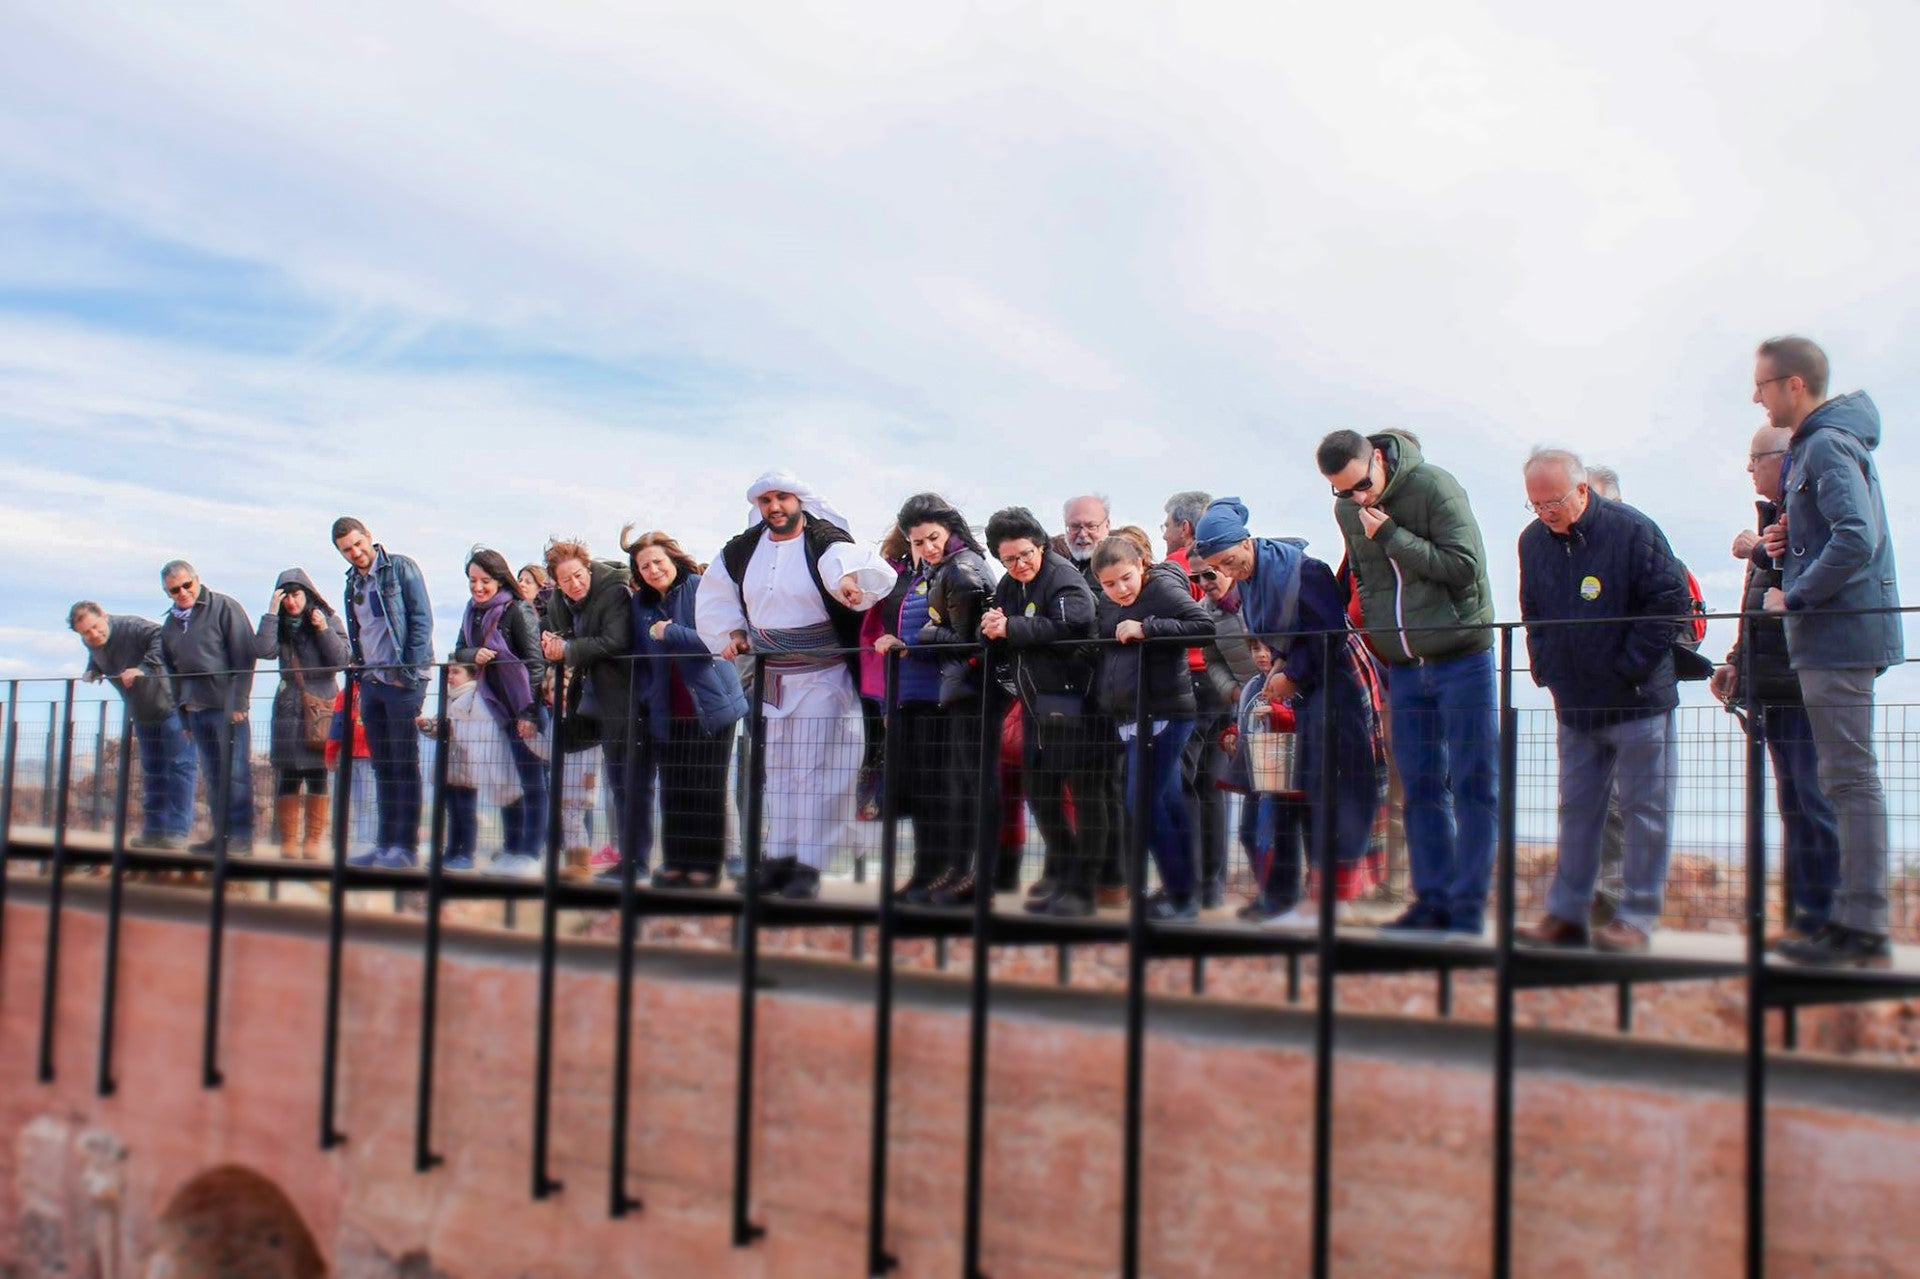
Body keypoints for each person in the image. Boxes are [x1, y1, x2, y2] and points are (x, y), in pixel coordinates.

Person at [1753, 337, 1904, 968]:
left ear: (1794, 385)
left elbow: (1857, 538)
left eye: (1761, 384)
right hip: (1836, 636)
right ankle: (1852, 922)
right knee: (1843, 781)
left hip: (1837, 636)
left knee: (1849, 780)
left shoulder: (1825, 444)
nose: (1754, 396)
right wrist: (1793, 537)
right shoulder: (1823, 445)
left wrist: (1796, 594)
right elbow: (1836, 532)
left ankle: (1862, 929)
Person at [1316, 429, 1497, 935]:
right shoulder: (1349, 511)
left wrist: (1393, 536)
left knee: (1473, 785)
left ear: (1376, 458)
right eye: (1343, 492)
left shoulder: (1436, 487)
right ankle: (1431, 902)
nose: (1357, 498)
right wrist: (1380, 638)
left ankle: (1467, 909)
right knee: (1420, 789)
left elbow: (1465, 569)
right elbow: (1369, 583)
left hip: (1462, 656)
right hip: (1403, 665)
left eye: (1361, 485)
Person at [1513, 448, 1690, 954]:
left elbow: (1669, 601)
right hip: (1576, 704)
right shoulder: (1533, 542)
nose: (1546, 512)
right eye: (1536, 504)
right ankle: (1565, 915)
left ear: (1583, 490)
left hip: (1638, 703)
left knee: (1645, 810)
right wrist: (1547, 670)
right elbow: (1534, 611)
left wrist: (1629, 666)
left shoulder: (1634, 530)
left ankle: (1636, 918)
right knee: (1577, 810)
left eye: (1555, 501)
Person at [696, 470, 894, 901]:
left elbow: (842, 560)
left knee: (814, 771)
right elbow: (716, 593)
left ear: (799, 500)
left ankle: (808, 863)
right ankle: (778, 858)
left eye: (782, 497)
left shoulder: (821, 538)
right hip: (773, 676)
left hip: (822, 675)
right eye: (766, 500)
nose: (774, 507)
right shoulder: (744, 548)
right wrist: (730, 632)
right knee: (779, 771)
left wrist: (846, 582)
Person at [1194, 499, 1387, 925]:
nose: (1228, 571)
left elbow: (1328, 637)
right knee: (1297, 796)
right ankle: (1301, 900)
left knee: (1336, 793)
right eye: (1217, 566)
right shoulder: (1251, 578)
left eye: (1229, 560)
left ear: (1247, 542)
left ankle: (1330, 901)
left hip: (1338, 687)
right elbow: (1279, 641)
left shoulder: (1306, 571)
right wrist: (1280, 673)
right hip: (1299, 689)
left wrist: (1290, 676)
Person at [1709, 423, 1841, 942]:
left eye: (1754, 458)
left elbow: (1813, 575)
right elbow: (1759, 602)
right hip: (1776, 682)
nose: (1749, 469)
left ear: (1782, 459)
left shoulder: (1804, 511)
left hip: (1805, 680)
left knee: (1812, 802)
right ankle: (1803, 921)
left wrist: (1759, 552)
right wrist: (1737, 661)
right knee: (1796, 805)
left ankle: (1823, 920)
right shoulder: (1775, 517)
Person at [874, 494, 996, 906]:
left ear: (951, 531)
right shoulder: (932, 571)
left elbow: (969, 641)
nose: (927, 547)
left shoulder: (962, 569)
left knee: (950, 793)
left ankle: (953, 876)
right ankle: (928, 873)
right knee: (926, 793)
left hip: (947, 697)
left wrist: (912, 646)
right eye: (917, 541)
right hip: (918, 695)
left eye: (933, 537)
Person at [980, 507, 1103, 917]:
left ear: (1042, 546)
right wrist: (996, 627)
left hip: (1071, 697)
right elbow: (1000, 625)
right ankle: (1063, 875)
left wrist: (1011, 627)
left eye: (1026, 554)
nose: (1020, 565)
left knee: (1081, 797)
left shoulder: (1062, 575)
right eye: (1009, 559)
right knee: (1040, 792)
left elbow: (1072, 625)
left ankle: (1083, 889)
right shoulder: (1008, 583)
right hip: (1034, 700)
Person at [1091, 535, 1216, 921]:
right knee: (1167, 803)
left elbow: (1203, 626)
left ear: (1141, 566)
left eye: (1126, 578)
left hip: (1166, 713)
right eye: (1109, 585)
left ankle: (1181, 897)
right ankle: (1184, 894)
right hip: (1131, 717)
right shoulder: (1108, 604)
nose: (1120, 590)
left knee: (1140, 800)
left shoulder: (1161, 588)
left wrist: (1148, 627)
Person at [630, 527, 748, 888]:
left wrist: (671, 632)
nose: (652, 570)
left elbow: (716, 641)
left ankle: (704, 868)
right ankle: (677, 864)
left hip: (710, 706)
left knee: (706, 788)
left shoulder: (698, 587)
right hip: (669, 709)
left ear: (672, 560)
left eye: (657, 561)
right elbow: (644, 658)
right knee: (674, 789)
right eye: (644, 566)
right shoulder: (641, 606)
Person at [333, 517, 435, 868]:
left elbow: (421, 620)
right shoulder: (352, 584)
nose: (355, 553)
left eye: (358, 545)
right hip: (372, 683)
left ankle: (405, 848)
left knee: (404, 764)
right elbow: (361, 631)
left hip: (403, 682)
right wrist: (362, 676)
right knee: (382, 766)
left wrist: (407, 676)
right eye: (347, 550)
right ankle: (385, 843)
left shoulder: (401, 569)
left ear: (369, 538)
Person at [538, 539, 635, 880]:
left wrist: (566, 648)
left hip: (620, 695)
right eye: (566, 580)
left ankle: (630, 858)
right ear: (555, 582)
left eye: (579, 575)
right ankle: (580, 861)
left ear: (588, 569)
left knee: (623, 782)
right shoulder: (558, 602)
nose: (575, 584)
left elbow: (616, 641)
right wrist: (551, 642)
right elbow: (553, 633)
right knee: (581, 786)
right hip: (585, 699)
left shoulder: (614, 591)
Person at [453, 548, 550, 875]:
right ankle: (512, 849)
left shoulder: (517, 610)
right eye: (472, 582)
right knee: (507, 782)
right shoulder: (471, 612)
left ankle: (531, 853)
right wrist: (473, 652)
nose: (478, 588)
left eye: (484, 581)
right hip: (492, 708)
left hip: (521, 706)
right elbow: (458, 650)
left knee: (533, 783)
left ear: (499, 579)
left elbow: (535, 663)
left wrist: (530, 712)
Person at [70, 602, 195, 850]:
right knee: (153, 771)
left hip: (169, 705)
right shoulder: (92, 642)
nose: (93, 634)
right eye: (86, 632)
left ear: (104, 616)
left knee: (180, 768)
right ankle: (155, 830)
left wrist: (143, 668)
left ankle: (177, 832)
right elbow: (98, 653)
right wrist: (92, 669)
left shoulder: (131, 626)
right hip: (141, 712)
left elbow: (162, 637)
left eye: (95, 627)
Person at [157, 561, 258, 853]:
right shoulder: (170, 625)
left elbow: (243, 655)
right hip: (195, 709)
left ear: (197, 580)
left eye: (186, 585)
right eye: (174, 590)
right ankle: (221, 836)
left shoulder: (224, 607)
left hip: (226, 706)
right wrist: (184, 719)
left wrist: (240, 700)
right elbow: (172, 674)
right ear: (168, 593)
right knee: (213, 776)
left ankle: (240, 838)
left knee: (236, 773)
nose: (183, 592)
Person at [251, 570, 350, 859]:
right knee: (288, 774)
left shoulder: (328, 619)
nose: (291, 602)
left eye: (296, 595)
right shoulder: (280, 624)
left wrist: (322, 629)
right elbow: (263, 650)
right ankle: (289, 842)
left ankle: (313, 841)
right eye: (285, 597)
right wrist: (271, 614)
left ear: (308, 594)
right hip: (288, 705)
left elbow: (342, 660)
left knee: (319, 772)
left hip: (322, 704)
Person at [1164, 490, 1229, 908]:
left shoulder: (1173, 568)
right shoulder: (1226, 563)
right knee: (1212, 786)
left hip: (1189, 678)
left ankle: (1186, 884)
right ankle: (1213, 886)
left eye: (1166, 523)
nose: (1163, 531)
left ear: (1185, 528)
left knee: (1184, 784)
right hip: (1225, 682)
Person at [415, 662, 522, 871]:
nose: (450, 676)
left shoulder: (475, 698)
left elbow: (469, 728)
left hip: (467, 766)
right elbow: (442, 727)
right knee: (453, 810)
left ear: (471, 675)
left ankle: (466, 853)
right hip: (449, 766)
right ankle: (452, 850)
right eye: (450, 671)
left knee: (465, 810)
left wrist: (447, 728)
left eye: (456, 672)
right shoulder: (450, 698)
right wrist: (427, 726)